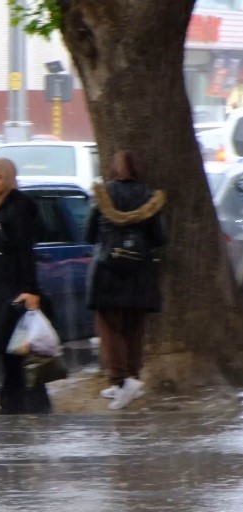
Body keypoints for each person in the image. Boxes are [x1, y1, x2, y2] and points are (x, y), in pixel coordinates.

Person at [86, 150, 167, 410]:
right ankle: (132, 377)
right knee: (134, 327)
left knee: (109, 327)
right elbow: (160, 237)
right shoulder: (149, 197)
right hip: (140, 273)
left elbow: (88, 233)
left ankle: (120, 380)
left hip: (108, 271)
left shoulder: (102, 195)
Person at [0, 157, 52, 415]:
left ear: (8, 179)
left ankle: (20, 402)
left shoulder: (17, 208)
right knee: (11, 350)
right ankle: (19, 400)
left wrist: (30, 290)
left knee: (19, 349)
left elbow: (24, 252)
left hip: (15, 290)